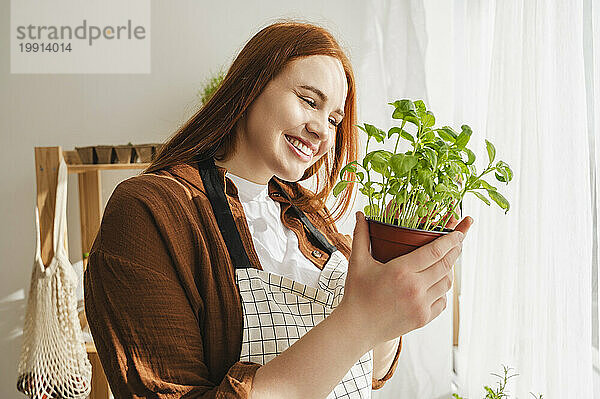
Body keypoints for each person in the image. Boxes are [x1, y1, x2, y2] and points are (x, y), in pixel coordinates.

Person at [84, 21, 473, 399]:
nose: (323, 129)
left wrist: (388, 299)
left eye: (335, 119)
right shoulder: (149, 212)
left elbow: (365, 371)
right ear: (249, 87)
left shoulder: (308, 217)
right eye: (309, 100)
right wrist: (361, 319)